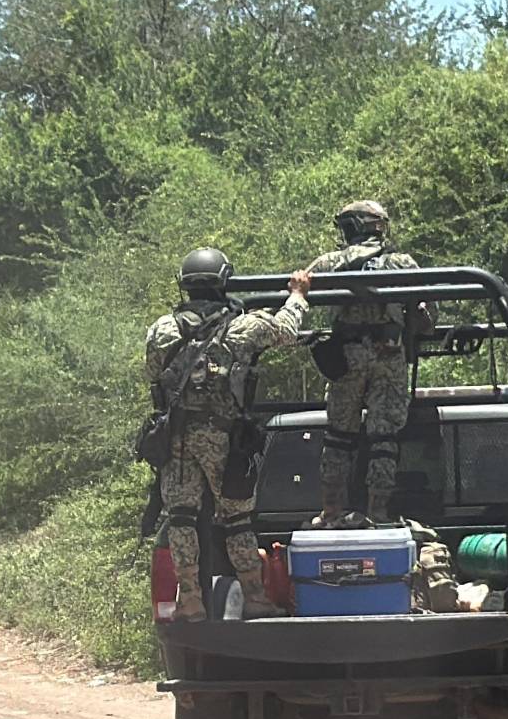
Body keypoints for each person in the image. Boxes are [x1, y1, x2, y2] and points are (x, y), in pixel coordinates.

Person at [145, 249, 312, 621]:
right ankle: (254, 596)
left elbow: (153, 371)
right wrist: (297, 295)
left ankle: (190, 601)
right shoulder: (243, 326)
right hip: (224, 438)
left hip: (177, 440)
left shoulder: (162, 329)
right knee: (237, 519)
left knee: (182, 517)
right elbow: (286, 331)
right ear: (224, 281)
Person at [304, 200, 432, 527]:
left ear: (351, 229)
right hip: (389, 356)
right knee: (384, 437)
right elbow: (425, 318)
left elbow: (297, 291)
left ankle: (331, 511)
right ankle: (378, 511)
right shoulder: (402, 263)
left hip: (345, 358)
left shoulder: (328, 263)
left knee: (337, 435)